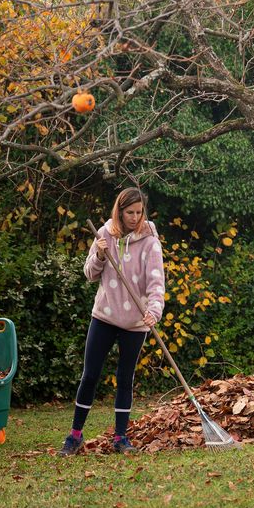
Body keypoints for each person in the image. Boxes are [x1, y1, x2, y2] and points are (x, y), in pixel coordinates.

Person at [59, 187, 166, 456]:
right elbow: (89, 273)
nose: (135, 217)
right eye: (129, 212)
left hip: (136, 322)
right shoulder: (104, 234)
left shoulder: (150, 241)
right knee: (90, 375)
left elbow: (156, 283)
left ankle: (121, 438)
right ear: (119, 211)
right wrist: (100, 255)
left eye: (139, 212)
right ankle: (75, 435)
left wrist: (154, 310)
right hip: (104, 316)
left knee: (125, 378)